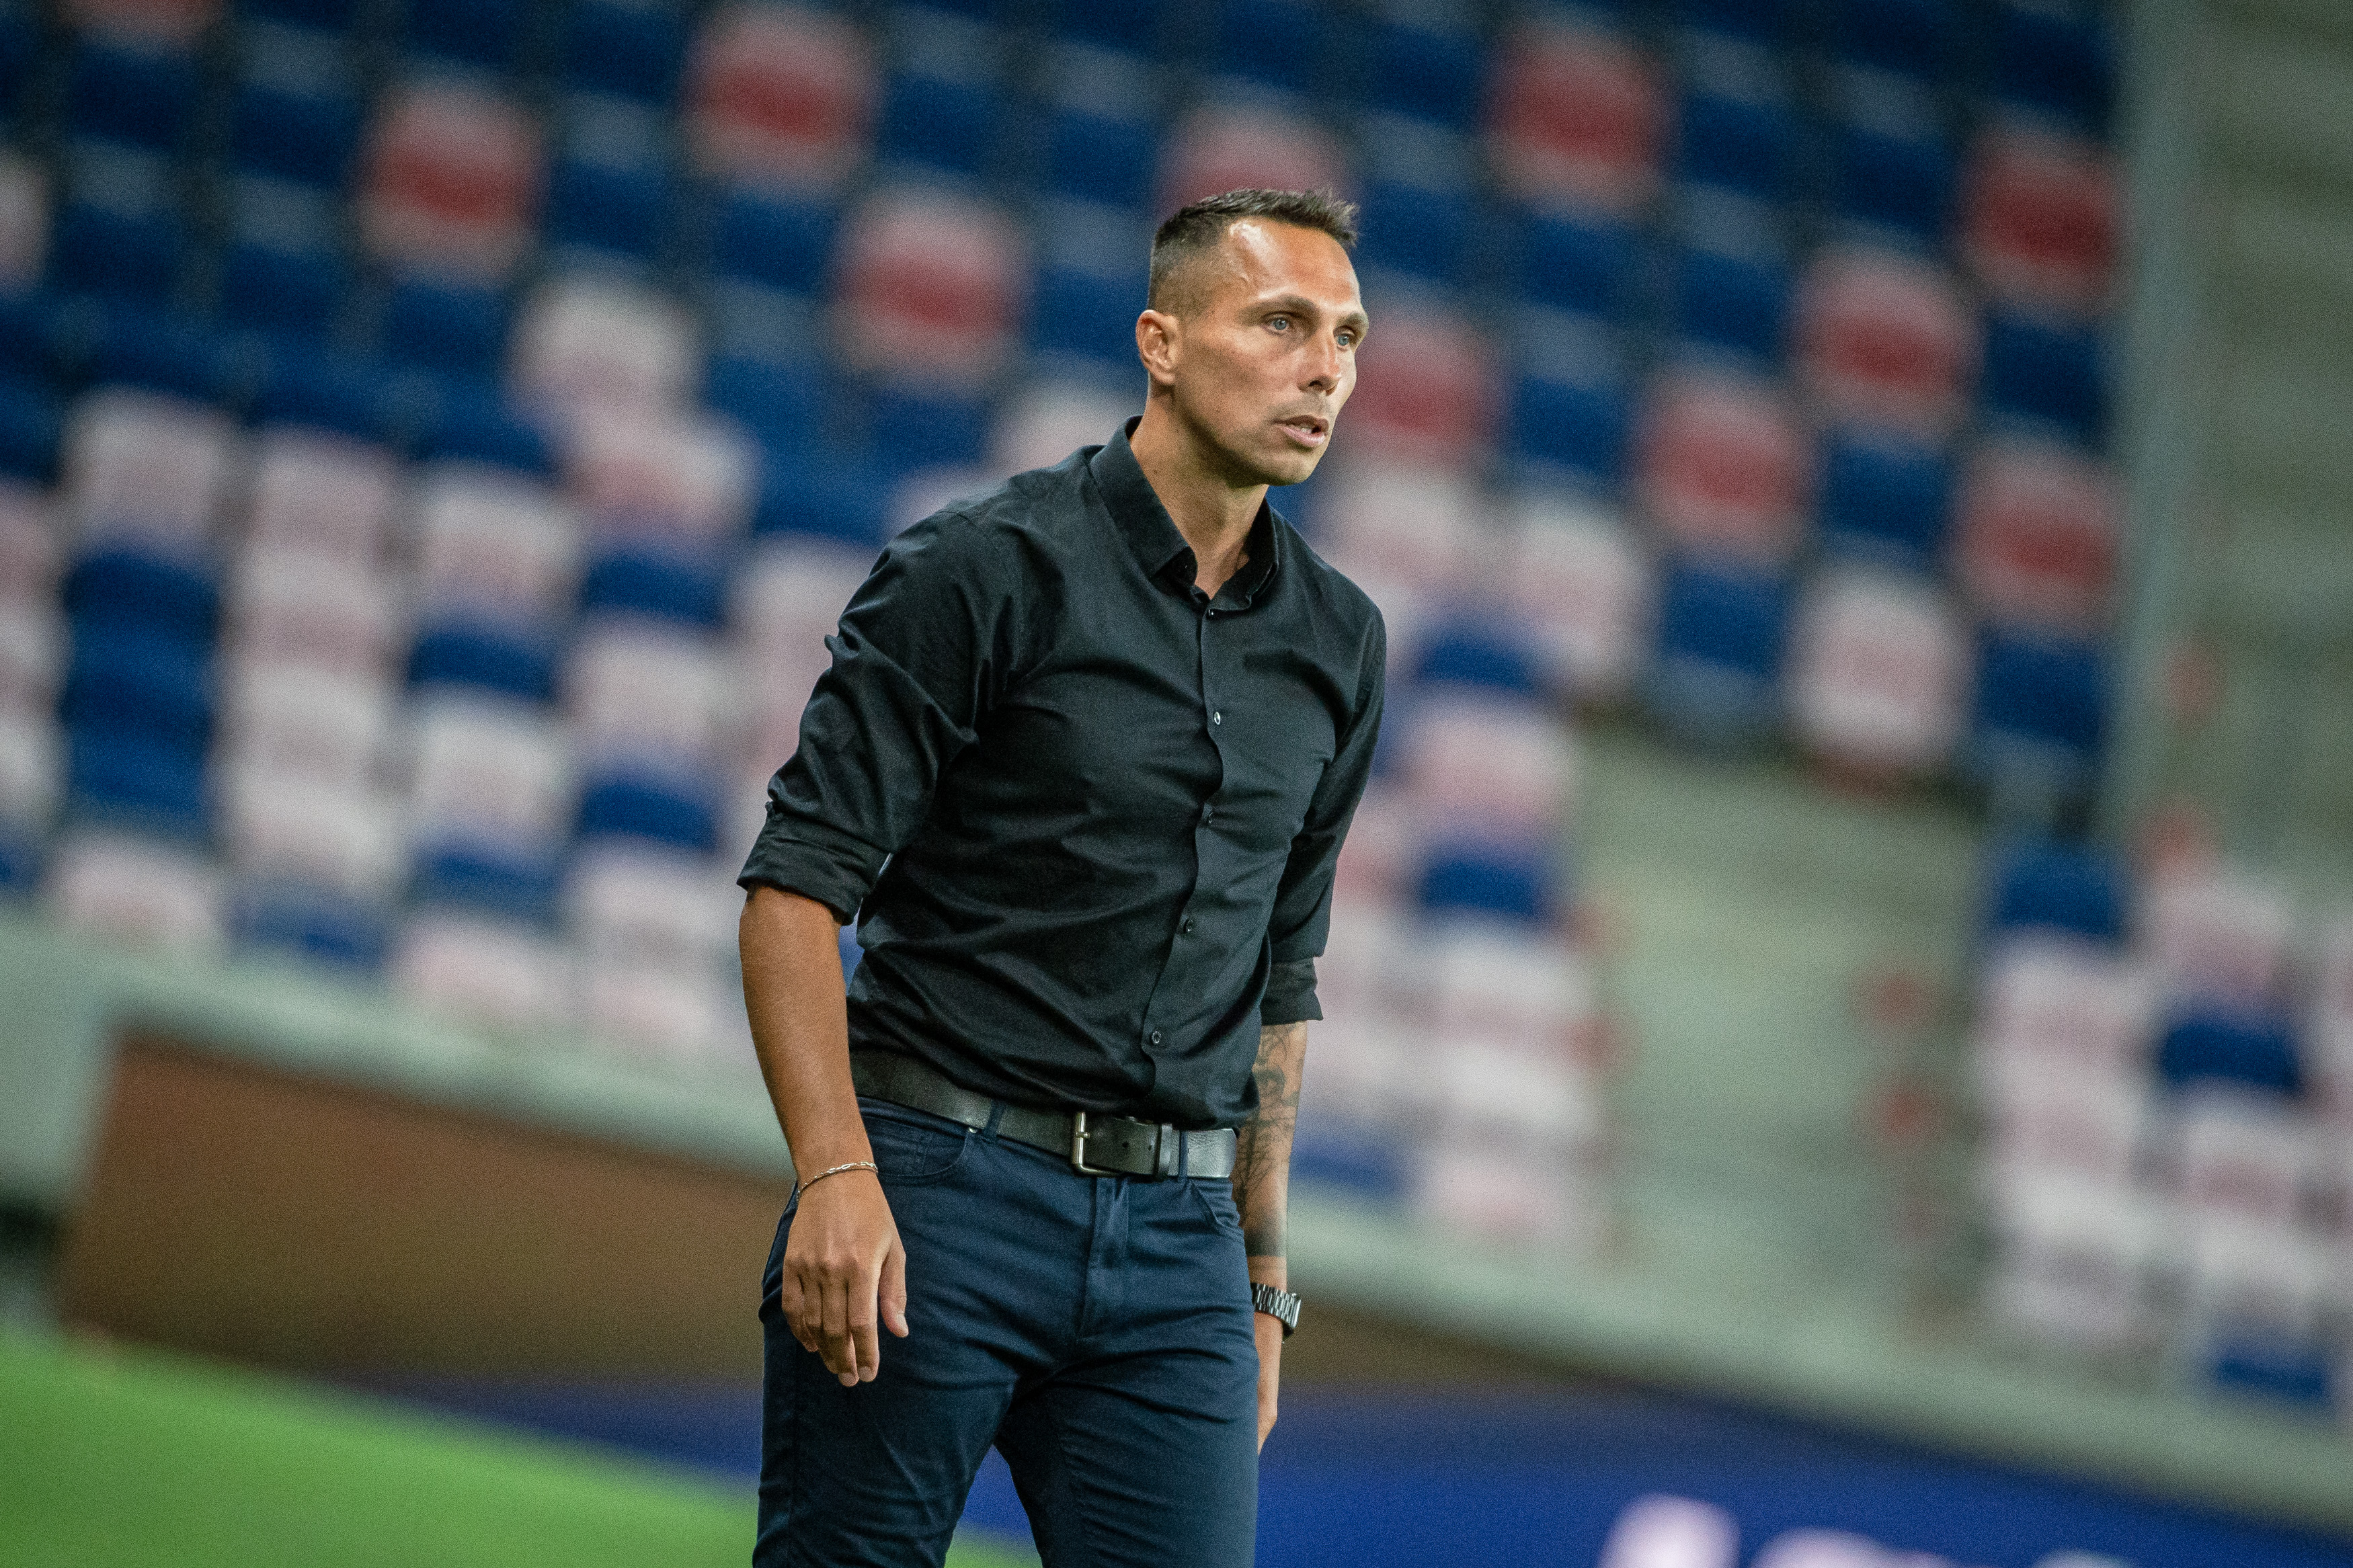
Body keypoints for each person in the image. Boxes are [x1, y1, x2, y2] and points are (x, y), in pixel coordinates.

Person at [737, 186, 1385, 1568]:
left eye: (1345, 336)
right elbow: (795, 885)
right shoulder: (981, 567)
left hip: (1179, 1252)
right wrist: (835, 1173)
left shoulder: (1342, 642)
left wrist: (1261, 1281)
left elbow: (1282, 978)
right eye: (1281, 323)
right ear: (1162, 343)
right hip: (936, 1192)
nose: (1324, 368)